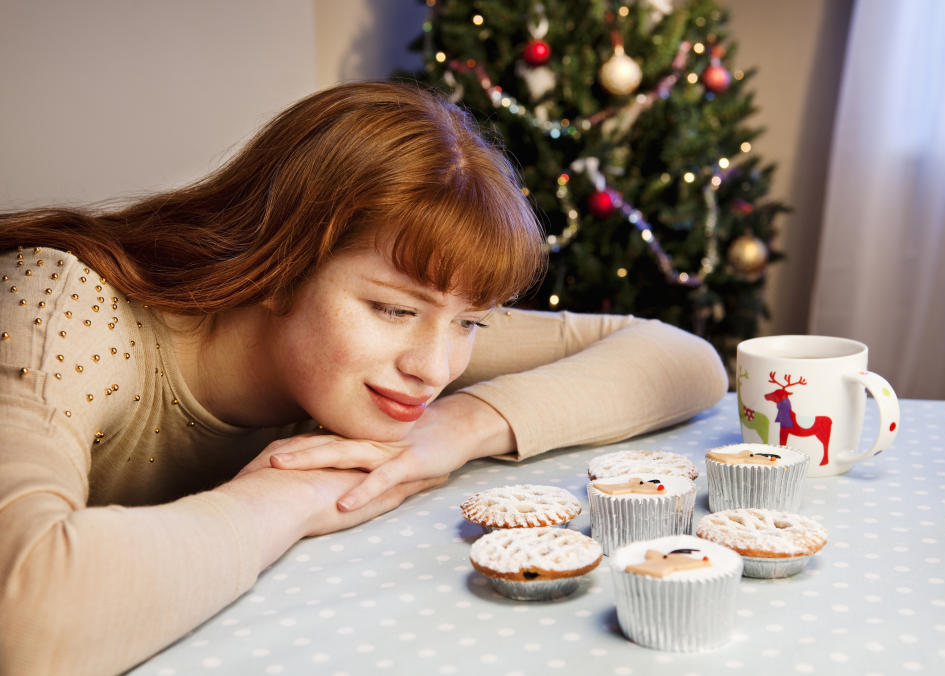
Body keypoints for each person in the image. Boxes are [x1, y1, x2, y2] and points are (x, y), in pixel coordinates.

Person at [0, 81, 727, 675]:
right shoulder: (58, 307)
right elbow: (26, 621)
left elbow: (683, 360)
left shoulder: (410, 331)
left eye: (471, 323)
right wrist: (291, 495)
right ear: (279, 264)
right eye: (390, 309)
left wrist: (454, 431)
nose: (434, 369)